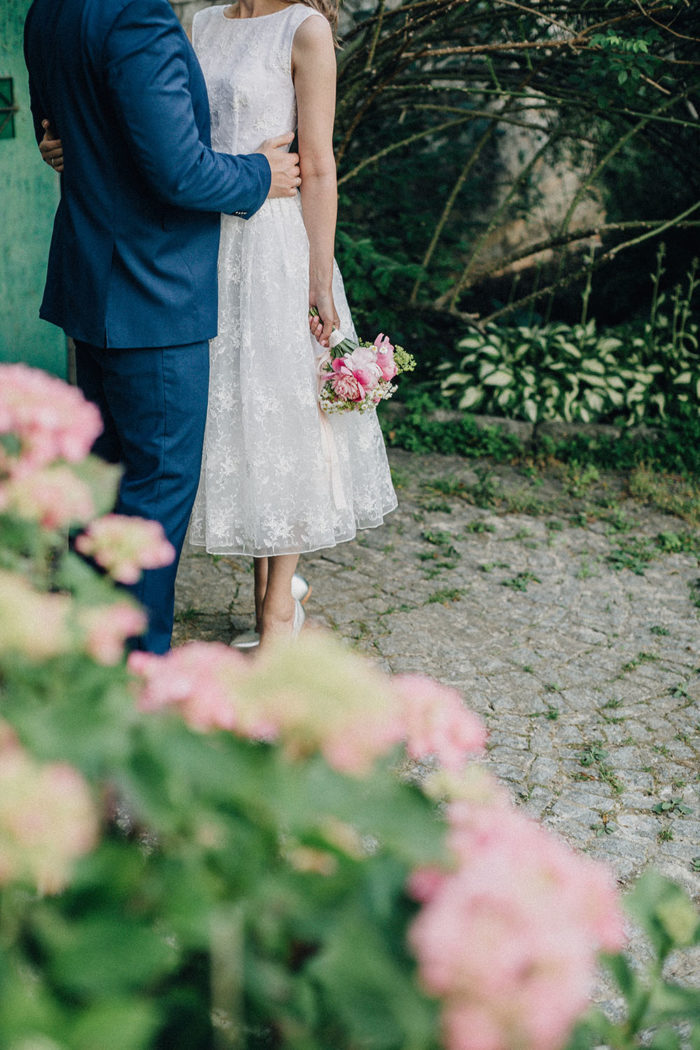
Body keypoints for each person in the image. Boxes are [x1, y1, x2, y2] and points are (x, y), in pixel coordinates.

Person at [24, 0, 301, 654]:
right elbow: (180, 173)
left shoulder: (49, 10)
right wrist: (263, 173)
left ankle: (84, 652)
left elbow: (57, 137)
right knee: (153, 501)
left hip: (90, 285)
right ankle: (134, 677)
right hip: (152, 294)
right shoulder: (138, 18)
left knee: (103, 489)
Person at [188, 0, 398, 648]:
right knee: (238, 417)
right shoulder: (201, 22)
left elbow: (321, 165)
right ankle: (264, 595)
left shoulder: (305, 29)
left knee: (286, 412)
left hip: (278, 245)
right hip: (206, 240)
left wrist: (316, 278)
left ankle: (278, 608)